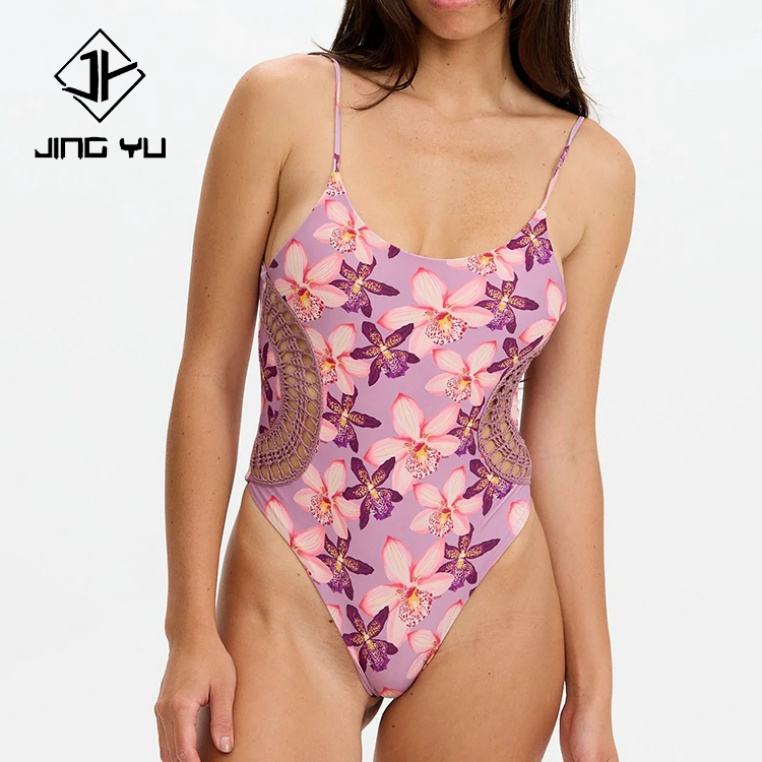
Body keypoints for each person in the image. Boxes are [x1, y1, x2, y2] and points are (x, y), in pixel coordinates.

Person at [154, 1, 635, 760]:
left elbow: (565, 438)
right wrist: (188, 630)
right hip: (289, 570)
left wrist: (596, 695)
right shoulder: (286, 106)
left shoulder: (591, 171)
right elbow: (209, 372)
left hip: (494, 592)